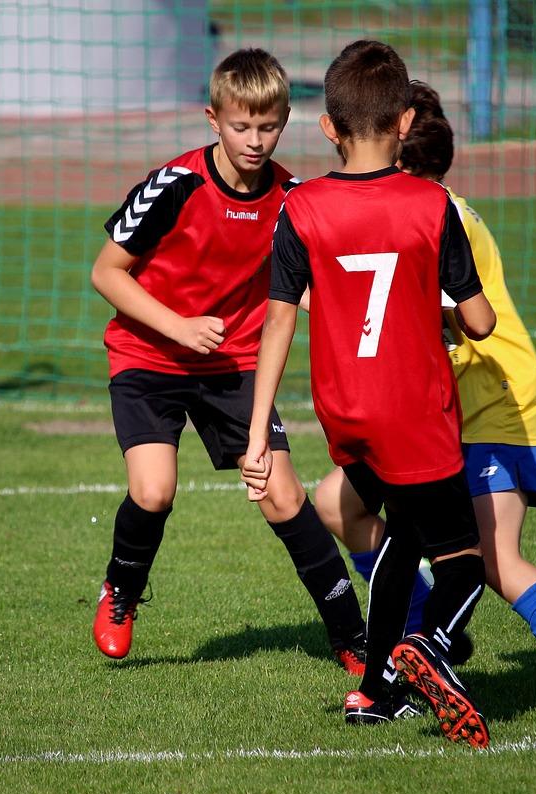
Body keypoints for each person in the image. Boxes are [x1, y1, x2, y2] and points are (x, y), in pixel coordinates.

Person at [311, 80, 536, 726]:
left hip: (495, 407)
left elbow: (463, 319)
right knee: (339, 499)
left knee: (494, 560)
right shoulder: (405, 211)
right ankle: (427, 641)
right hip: (434, 414)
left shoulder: (439, 216)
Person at [242, 40, 497, 747]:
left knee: (403, 536)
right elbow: (479, 319)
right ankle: (434, 647)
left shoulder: (301, 208)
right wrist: (443, 312)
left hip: (346, 412)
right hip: (417, 411)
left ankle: (374, 689)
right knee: (465, 561)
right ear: (407, 120)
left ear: (326, 126)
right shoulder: (430, 203)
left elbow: (278, 322)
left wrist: (258, 433)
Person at [89, 48, 367, 675]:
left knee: (281, 493)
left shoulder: (295, 199)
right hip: (149, 354)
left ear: (285, 121)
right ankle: (122, 593)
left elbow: (330, 285)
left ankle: (354, 638)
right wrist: (179, 328)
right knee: (154, 491)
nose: (255, 140)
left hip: (235, 366)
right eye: (241, 126)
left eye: (268, 127)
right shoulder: (174, 186)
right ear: (213, 119)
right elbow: (106, 272)